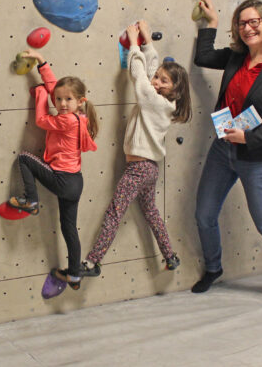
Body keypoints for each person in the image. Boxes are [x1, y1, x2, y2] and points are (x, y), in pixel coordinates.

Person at [191, 0, 262, 308]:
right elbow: (203, 57)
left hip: (258, 158)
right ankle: (213, 268)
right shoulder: (235, 57)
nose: (248, 28)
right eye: (242, 23)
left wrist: (249, 137)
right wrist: (212, 23)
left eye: (254, 22)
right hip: (222, 149)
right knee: (204, 215)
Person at [82, 20, 191, 277]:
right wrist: (148, 42)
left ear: (175, 90)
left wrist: (133, 44)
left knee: (115, 212)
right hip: (148, 169)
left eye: (164, 81)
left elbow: (140, 77)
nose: (157, 82)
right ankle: (170, 256)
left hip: (138, 170)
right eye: (158, 78)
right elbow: (150, 72)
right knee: (151, 212)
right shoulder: (163, 101)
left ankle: (93, 262)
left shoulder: (155, 101)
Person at [6, 50, 99, 290]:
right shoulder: (79, 117)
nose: (62, 103)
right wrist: (41, 62)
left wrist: (39, 94)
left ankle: (31, 200)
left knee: (25, 158)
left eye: (68, 100)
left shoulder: (66, 120)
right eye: (58, 100)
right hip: (75, 182)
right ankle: (74, 275)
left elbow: (41, 120)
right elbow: (55, 88)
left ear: (80, 101)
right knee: (69, 229)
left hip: (62, 179)